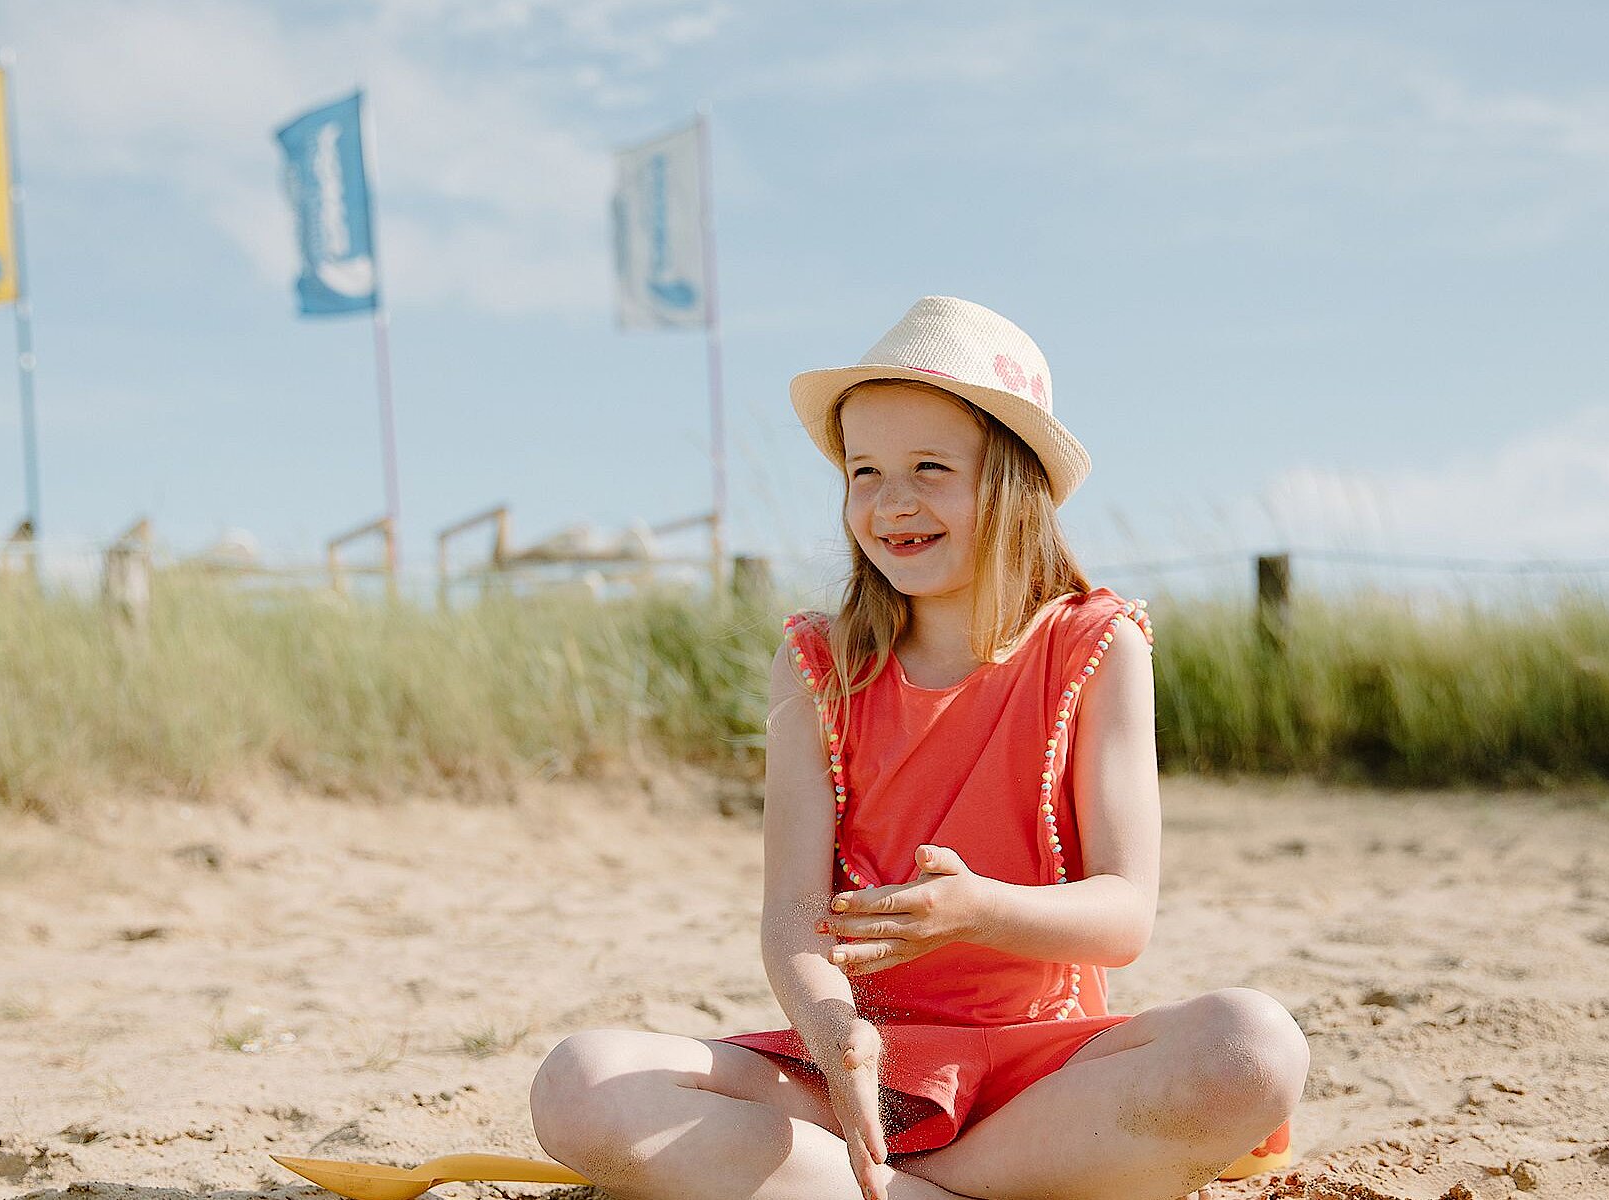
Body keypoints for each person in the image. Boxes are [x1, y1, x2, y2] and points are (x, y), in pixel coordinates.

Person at [530, 296, 1308, 1200]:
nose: (891, 501)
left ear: (1012, 482)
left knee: (1250, 1045)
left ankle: (916, 1188)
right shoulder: (817, 661)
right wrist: (836, 1035)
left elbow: (1124, 917)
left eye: (930, 467)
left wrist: (977, 910)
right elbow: (793, 916)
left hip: (1042, 1075)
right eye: (865, 472)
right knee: (579, 1082)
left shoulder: (1096, 643)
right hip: (862, 1072)